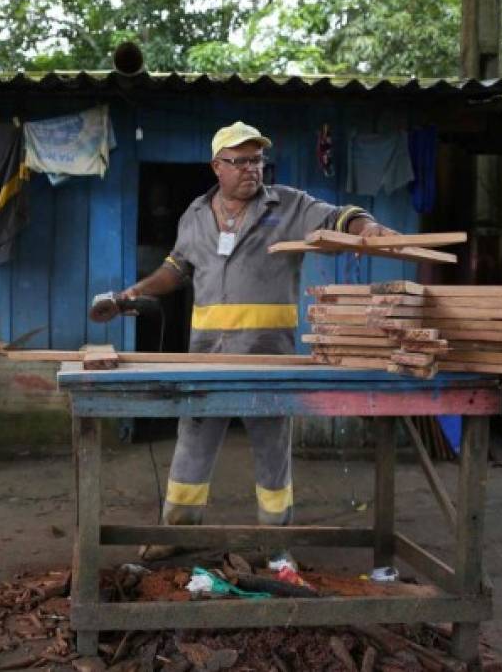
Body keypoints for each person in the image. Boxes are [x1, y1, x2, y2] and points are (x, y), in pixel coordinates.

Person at [115, 121, 397, 565]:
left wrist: (367, 226)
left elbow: (335, 217)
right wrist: (136, 291)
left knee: (271, 450)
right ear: (216, 167)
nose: (251, 169)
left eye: (256, 159)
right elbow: (177, 266)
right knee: (194, 441)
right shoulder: (194, 214)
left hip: (269, 355)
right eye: (239, 161)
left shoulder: (287, 206)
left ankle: (274, 541)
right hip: (207, 358)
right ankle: (178, 530)